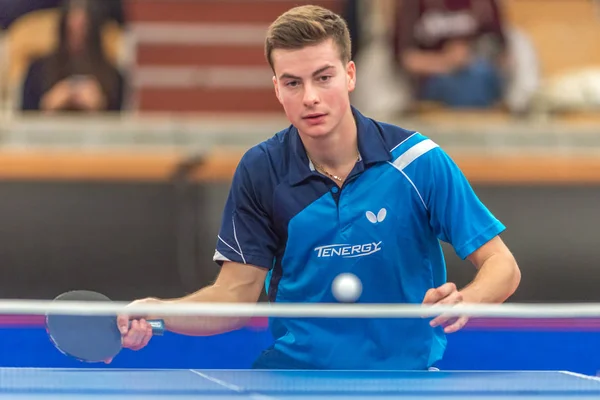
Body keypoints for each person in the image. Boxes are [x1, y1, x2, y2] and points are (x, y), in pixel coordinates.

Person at [114, 5, 521, 370]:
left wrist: (466, 299)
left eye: (323, 77)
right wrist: (157, 311)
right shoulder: (262, 170)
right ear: (276, 88)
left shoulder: (418, 162)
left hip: (403, 379)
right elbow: (235, 298)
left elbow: (502, 266)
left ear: (349, 75)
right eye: (293, 83)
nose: (310, 98)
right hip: (293, 378)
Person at [20, 0, 125, 112]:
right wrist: (47, 103)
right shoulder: (37, 71)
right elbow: (24, 115)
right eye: (71, 30)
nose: (77, 38)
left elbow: (120, 118)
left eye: (83, 30)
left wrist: (101, 105)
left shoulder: (113, 76)